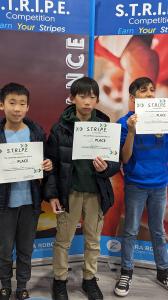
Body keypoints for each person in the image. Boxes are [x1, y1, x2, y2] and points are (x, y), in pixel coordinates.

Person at [44, 76, 120, 300]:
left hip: (96, 193)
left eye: (92, 96)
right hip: (71, 193)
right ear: (72, 98)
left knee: (93, 240)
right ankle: (59, 280)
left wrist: (106, 167)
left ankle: (89, 279)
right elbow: (51, 163)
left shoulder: (105, 126)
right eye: (82, 96)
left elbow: (115, 163)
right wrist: (53, 195)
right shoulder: (60, 128)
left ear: (97, 100)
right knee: (63, 240)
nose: (87, 101)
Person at [114, 77, 168, 297]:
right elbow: (124, 159)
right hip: (136, 184)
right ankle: (126, 271)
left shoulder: (164, 120)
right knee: (130, 230)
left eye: (152, 90)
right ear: (133, 97)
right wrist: (132, 132)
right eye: (144, 90)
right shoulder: (124, 122)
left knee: (159, 230)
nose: (150, 94)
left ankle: (162, 271)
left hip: (160, 184)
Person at [0, 82, 53, 300]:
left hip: (31, 203)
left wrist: (47, 165)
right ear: (2, 105)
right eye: (12, 103)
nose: (17, 108)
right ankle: (4, 285)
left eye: (22, 104)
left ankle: (22, 284)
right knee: (4, 248)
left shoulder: (37, 132)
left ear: (28, 107)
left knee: (25, 248)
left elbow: (46, 164)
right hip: (4, 204)